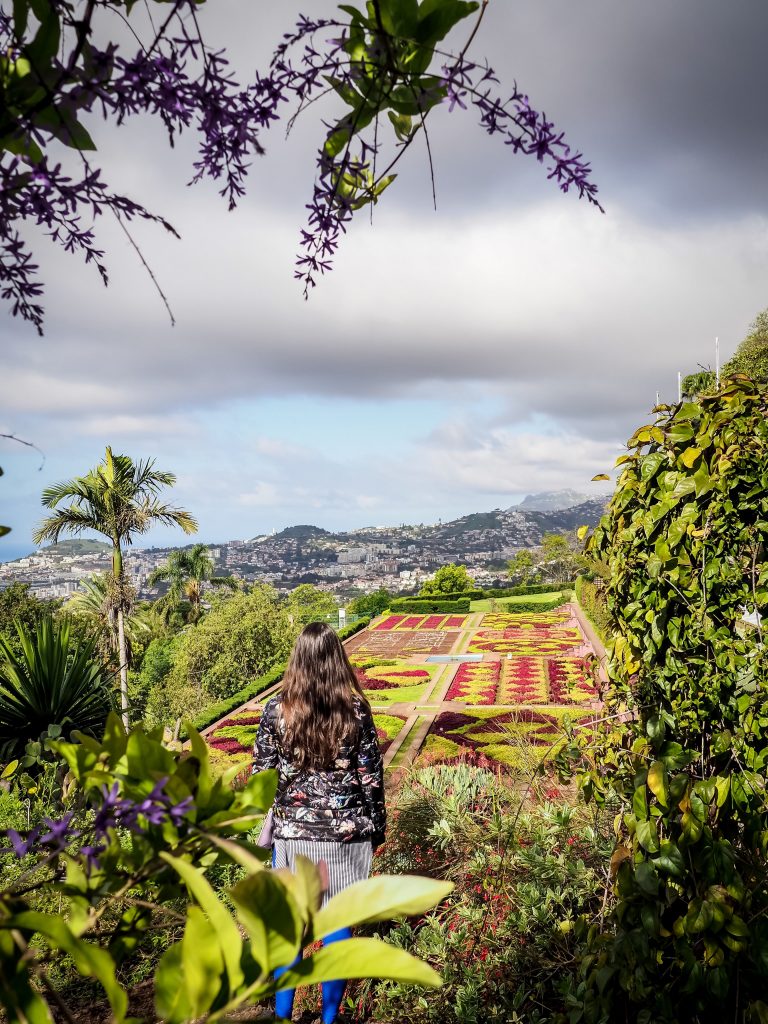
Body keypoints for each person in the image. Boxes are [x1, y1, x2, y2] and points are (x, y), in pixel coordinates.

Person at [252, 620, 386, 1024]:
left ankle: (282, 1015)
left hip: (293, 839)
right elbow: (370, 777)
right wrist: (377, 827)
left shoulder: (276, 711)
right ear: (336, 660)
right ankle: (329, 1019)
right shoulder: (355, 711)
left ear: (298, 660)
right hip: (345, 837)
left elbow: (262, 777)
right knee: (337, 923)